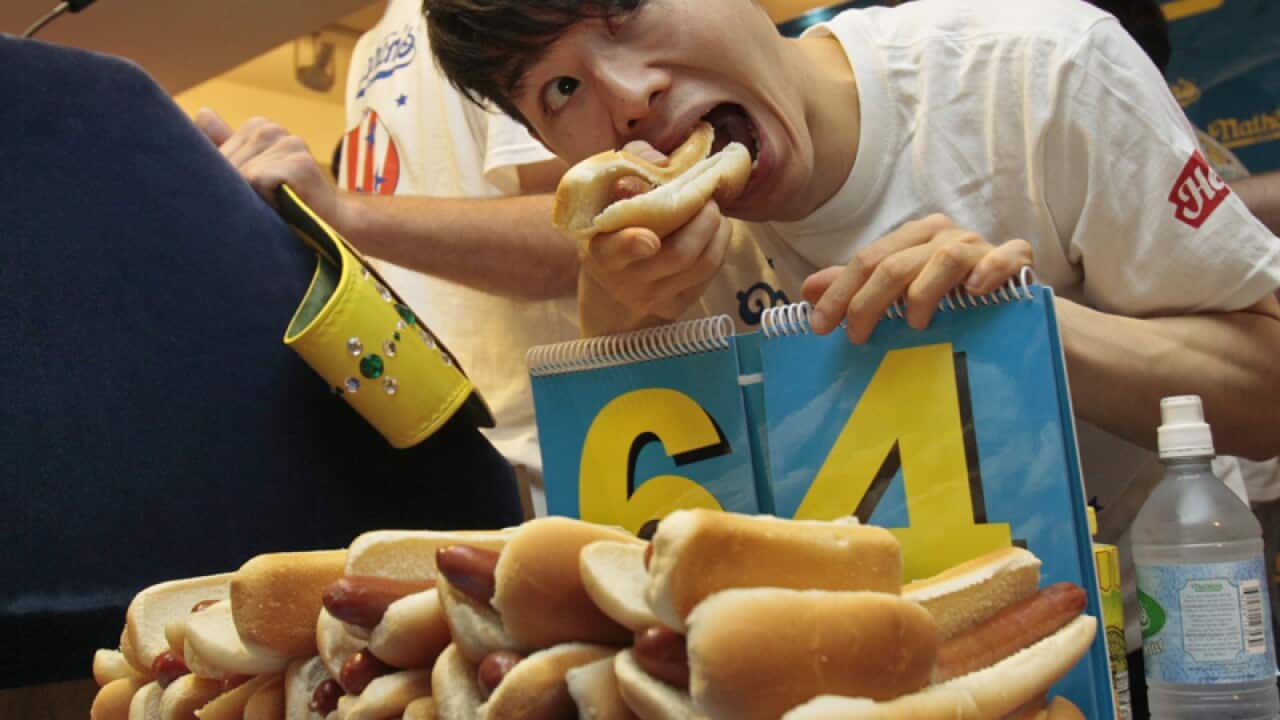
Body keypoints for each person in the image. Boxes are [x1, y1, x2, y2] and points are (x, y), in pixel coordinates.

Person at [421, 0, 1280, 694]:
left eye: (626, 9)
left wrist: (1025, 323)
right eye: (561, 89)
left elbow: (1267, 387)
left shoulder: (1043, 73)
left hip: (1146, 658)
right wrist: (615, 332)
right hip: (841, 683)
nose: (628, 98)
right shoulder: (631, 264)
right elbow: (641, 579)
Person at [196, 0, 583, 515]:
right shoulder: (371, 45)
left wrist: (342, 212)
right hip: (441, 463)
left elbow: (582, 237)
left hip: (546, 474)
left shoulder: (489, 11)